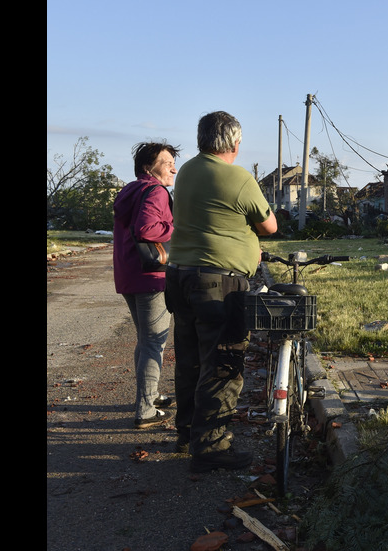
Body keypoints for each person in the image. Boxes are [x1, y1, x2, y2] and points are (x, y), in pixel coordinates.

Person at [165, 111, 277, 472]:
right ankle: (211, 444)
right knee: (222, 361)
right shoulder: (238, 177)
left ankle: (187, 431)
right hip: (218, 283)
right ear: (234, 143)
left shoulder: (186, 171)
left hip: (180, 276)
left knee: (190, 358)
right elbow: (269, 225)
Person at [112, 141, 181, 429]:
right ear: (148, 167)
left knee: (145, 340)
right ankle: (145, 410)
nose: (173, 168)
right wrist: (179, 229)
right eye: (167, 163)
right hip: (152, 275)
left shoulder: (131, 189)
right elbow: (146, 229)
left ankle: (149, 395)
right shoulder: (156, 191)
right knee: (154, 342)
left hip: (129, 273)